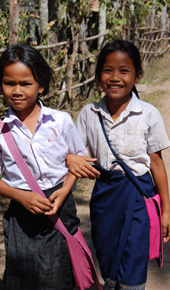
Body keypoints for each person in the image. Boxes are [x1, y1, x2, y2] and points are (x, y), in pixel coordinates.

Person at [0, 44, 88, 290]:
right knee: (23, 278)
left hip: (60, 207)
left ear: (41, 85)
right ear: (1, 85)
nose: (16, 91)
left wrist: (65, 188)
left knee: (59, 276)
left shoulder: (61, 121)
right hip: (21, 214)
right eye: (9, 83)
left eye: (25, 84)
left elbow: (78, 161)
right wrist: (21, 196)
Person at [66, 40, 170, 290]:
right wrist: (71, 159)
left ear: (137, 75)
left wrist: (166, 210)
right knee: (108, 260)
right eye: (107, 70)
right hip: (105, 198)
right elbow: (78, 155)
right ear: (98, 74)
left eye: (124, 71)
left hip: (138, 197)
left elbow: (156, 163)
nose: (115, 77)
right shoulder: (89, 114)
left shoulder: (147, 114)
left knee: (133, 265)